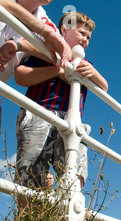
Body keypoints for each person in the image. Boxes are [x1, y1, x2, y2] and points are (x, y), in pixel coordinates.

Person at [14, 11, 107, 189]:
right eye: (81, 33)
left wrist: (93, 72)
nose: (85, 39)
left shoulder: (85, 65)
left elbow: (104, 87)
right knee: (31, 174)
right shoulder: (46, 52)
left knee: (75, 170)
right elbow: (20, 76)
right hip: (39, 112)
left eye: (89, 37)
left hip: (71, 121)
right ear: (63, 31)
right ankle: (32, 215)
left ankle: (71, 208)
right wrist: (57, 70)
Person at [0, 0, 71, 132]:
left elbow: (66, 52)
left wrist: (20, 44)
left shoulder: (44, 20)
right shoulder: (44, 27)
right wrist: (45, 32)